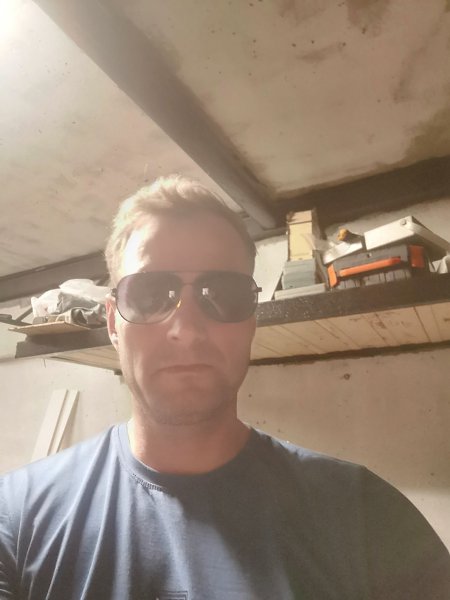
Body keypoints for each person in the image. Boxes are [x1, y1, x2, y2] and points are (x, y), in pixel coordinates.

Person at [0, 175, 449, 600]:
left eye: (222, 293)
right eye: (150, 294)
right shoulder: (18, 519)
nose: (186, 330)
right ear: (114, 323)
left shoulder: (365, 516)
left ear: (251, 320)